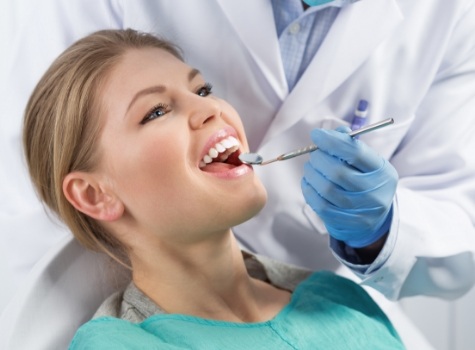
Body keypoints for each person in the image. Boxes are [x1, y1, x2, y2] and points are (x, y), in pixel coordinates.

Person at [2, 0, 475, 347]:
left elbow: (457, 221)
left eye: (203, 88)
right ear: (92, 194)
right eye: (156, 111)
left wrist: (381, 232)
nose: (211, 108)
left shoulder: (343, 305)